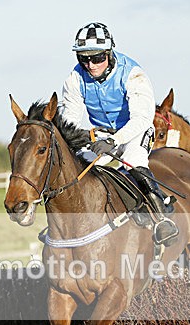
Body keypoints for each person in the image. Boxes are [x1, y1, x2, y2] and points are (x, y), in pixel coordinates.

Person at [60, 22, 179, 246]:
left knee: (134, 161)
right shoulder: (75, 79)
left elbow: (141, 119)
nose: (90, 65)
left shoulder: (133, 74)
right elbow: (70, 120)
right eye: (83, 58)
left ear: (109, 53)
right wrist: (81, 139)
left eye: (96, 58)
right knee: (78, 168)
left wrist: (114, 141)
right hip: (103, 136)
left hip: (136, 130)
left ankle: (161, 218)